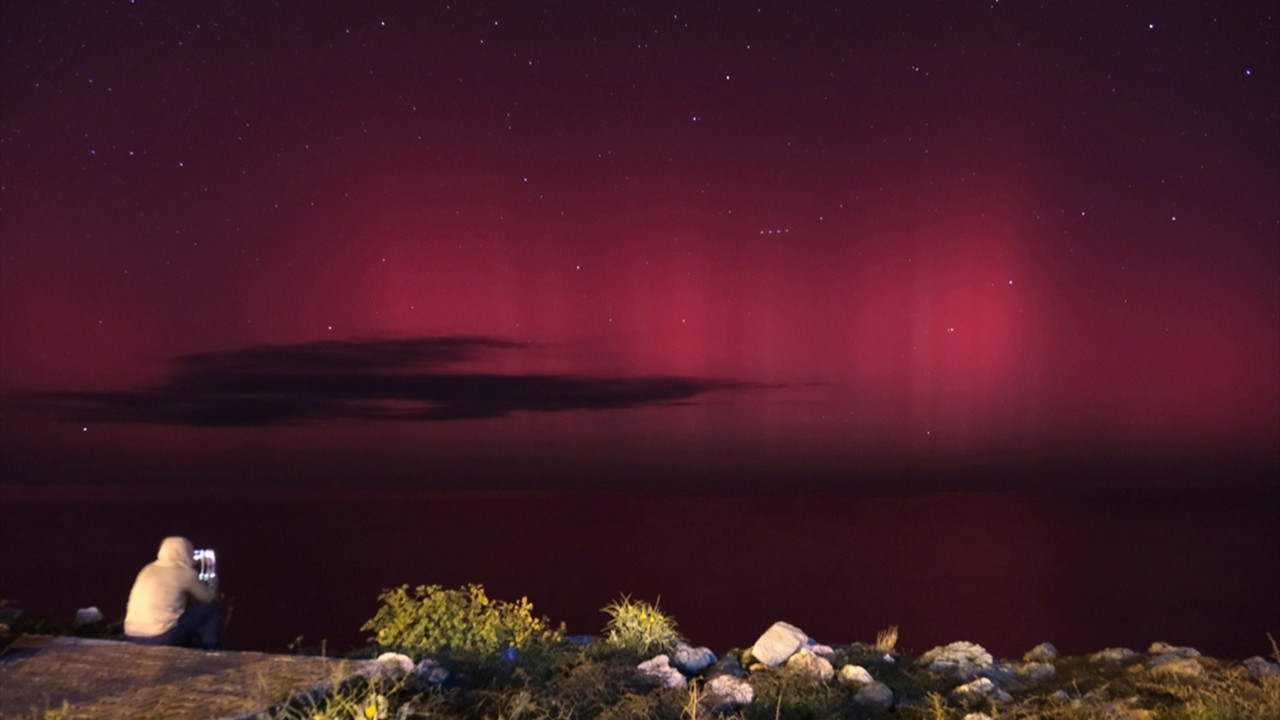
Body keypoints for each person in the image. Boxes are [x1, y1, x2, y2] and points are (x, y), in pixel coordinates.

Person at [124, 536, 221, 649]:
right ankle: (211, 649)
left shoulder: (147, 569)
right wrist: (211, 569)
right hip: (159, 636)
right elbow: (208, 597)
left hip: (131, 635)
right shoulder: (186, 573)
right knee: (210, 608)